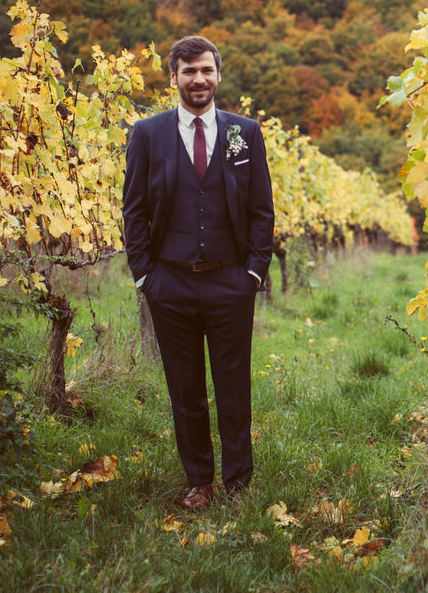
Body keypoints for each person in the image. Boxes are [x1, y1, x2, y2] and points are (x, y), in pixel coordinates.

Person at [122, 35, 274, 509]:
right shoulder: (147, 134)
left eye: (206, 70)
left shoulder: (243, 133)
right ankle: (199, 481)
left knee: (234, 385)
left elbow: (261, 210)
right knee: (184, 388)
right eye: (188, 71)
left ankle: (239, 482)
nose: (198, 79)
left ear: (218, 74)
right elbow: (135, 211)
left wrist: (253, 273)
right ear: (174, 78)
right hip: (171, 283)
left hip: (231, 281)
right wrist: (146, 276)